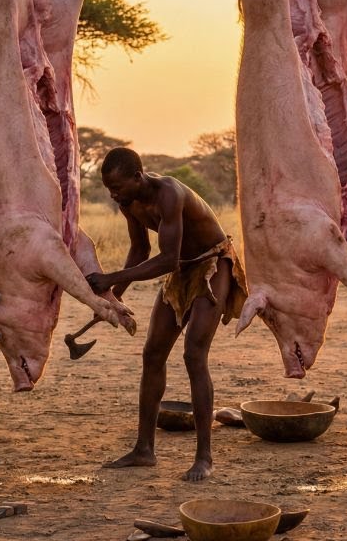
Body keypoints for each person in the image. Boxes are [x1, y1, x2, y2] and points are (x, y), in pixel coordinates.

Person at [90, 148, 247, 482]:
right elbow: (140, 250)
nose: (113, 194)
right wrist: (113, 298)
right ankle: (144, 450)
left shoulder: (169, 194)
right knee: (153, 353)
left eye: (118, 187)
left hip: (212, 262)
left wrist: (110, 278)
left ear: (138, 176)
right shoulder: (128, 204)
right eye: (108, 188)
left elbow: (167, 261)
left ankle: (204, 457)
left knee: (194, 353)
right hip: (181, 270)